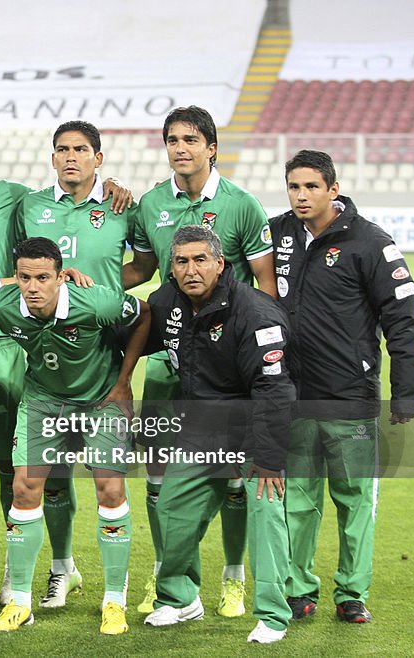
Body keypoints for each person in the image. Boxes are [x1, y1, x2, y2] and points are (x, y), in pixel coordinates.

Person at [122, 105, 276, 615]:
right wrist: (82, 285)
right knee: (160, 478)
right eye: (172, 139)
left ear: (212, 147)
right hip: (168, 365)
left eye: (191, 139)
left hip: (224, 368)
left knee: (232, 477)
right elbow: (143, 270)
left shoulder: (243, 206)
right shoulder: (149, 205)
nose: (180, 148)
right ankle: (171, 579)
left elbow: (267, 287)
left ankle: (233, 576)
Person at [270, 149, 414, 624]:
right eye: (294, 186)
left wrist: (406, 391)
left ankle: (352, 593)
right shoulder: (274, 234)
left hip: (350, 398)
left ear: (333, 189)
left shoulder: (370, 242)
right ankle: (299, 590)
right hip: (291, 396)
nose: (301, 195)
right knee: (298, 500)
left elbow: (403, 317)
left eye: (311, 186)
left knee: (354, 500)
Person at [0, 237, 149, 635]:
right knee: (24, 488)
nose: (33, 287)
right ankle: (20, 602)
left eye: (43, 277)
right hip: (42, 401)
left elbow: (144, 315)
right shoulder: (1, 308)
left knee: (110, 490)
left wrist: (124, 381)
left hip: (100, 401)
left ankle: (114, 600)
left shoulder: (95, 303)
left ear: (61, 277)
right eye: (25, 278)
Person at [140, 225, 294, 644]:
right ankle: (180, 599)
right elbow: (136, 333)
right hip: (200, 427)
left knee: (266, 512)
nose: (191, 270)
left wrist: (269, 458)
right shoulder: (167, 300)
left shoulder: (255, 313)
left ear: (220, 263)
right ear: (171, 268)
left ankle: (272, 615)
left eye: (200, 260)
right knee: (172, 510)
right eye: (182, 262)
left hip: (254, 426)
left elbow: (274, 390)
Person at [11, 120, 133, 608]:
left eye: (81, 150)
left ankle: (118, 593)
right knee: (46, 478)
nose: (70, 158)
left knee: (109, 480)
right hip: (48, 358)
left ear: (98, 158)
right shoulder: (30, 206)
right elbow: (18, 266)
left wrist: (96, 291)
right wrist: (53, 284)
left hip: (103, 354)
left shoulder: (125, 207)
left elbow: (144, 266)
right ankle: (62, 568)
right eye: (61, 150)